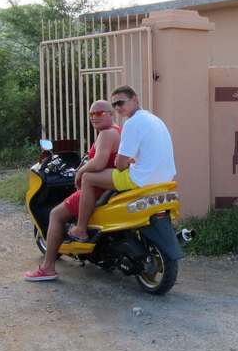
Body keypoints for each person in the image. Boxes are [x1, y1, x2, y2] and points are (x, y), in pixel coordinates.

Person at [24, 100, 120, 281]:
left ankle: (48, 267)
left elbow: (99, 163)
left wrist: (80, 172)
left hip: (96, 188)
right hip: (107, 185)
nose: (94, 117)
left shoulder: (106, 134)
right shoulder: (117, 131)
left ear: (110, 113)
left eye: (99, 113)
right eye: (91, 114)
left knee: (55, 214)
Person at [66, 85, 176, 240]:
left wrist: (81, 170)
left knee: (88, 178)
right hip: (165, 178)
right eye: (114, 104)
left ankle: (80, 229)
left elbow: (120, 165)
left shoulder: (132, 123)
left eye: (121, 102)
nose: (118, 107)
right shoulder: (154, 119)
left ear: (135, 100)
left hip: (141, 179)